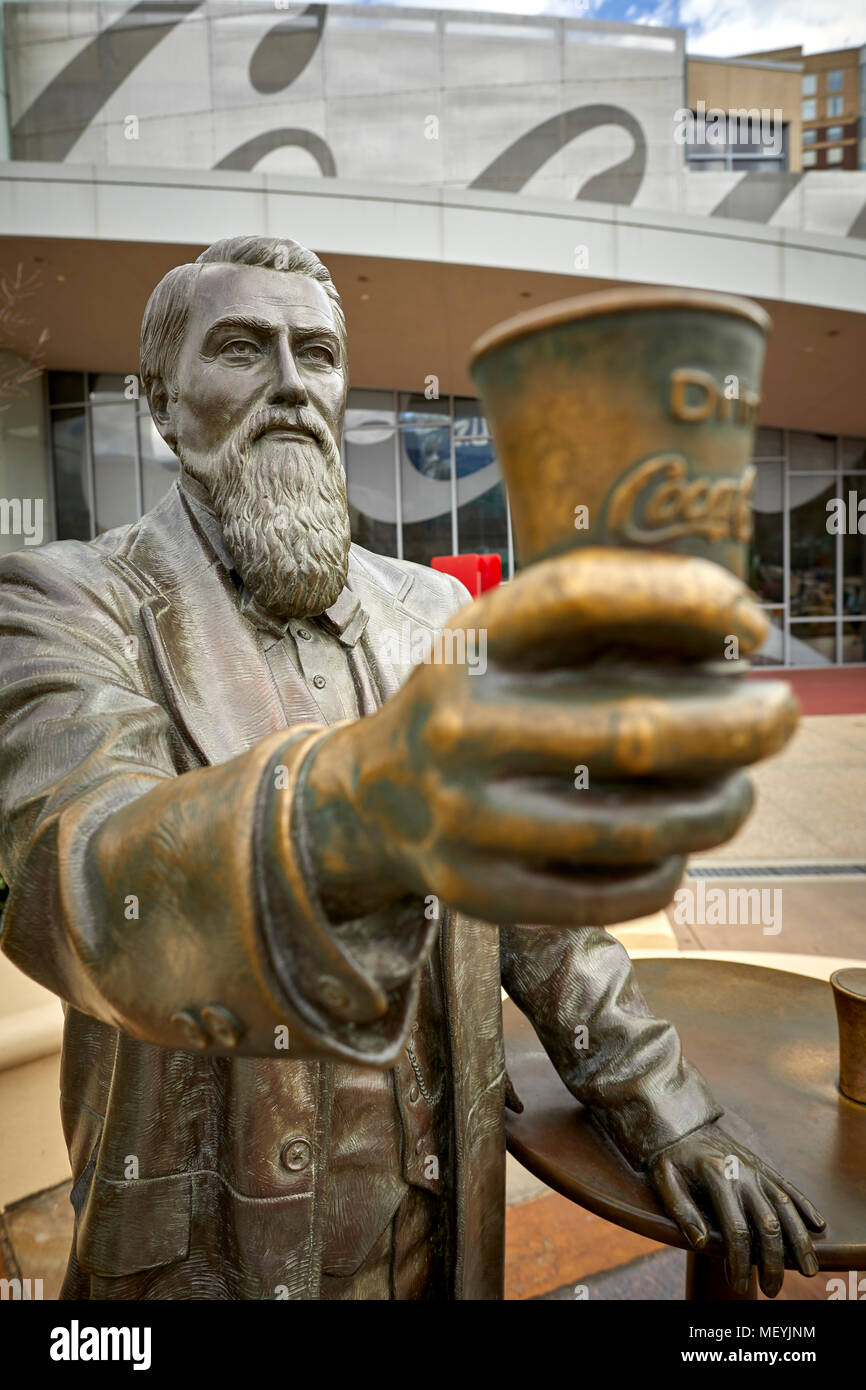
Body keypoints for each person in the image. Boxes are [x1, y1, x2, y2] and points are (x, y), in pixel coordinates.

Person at [0, 236, 823, 1300]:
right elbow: (85, 875)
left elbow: (545, 925)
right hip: (204, 1264)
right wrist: (364, 800)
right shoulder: (64, 603)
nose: (292, 385)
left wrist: (672, 1111)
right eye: (243, 350)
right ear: (160, 401)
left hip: (429, 1238)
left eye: (319, 355)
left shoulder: (434, 612)